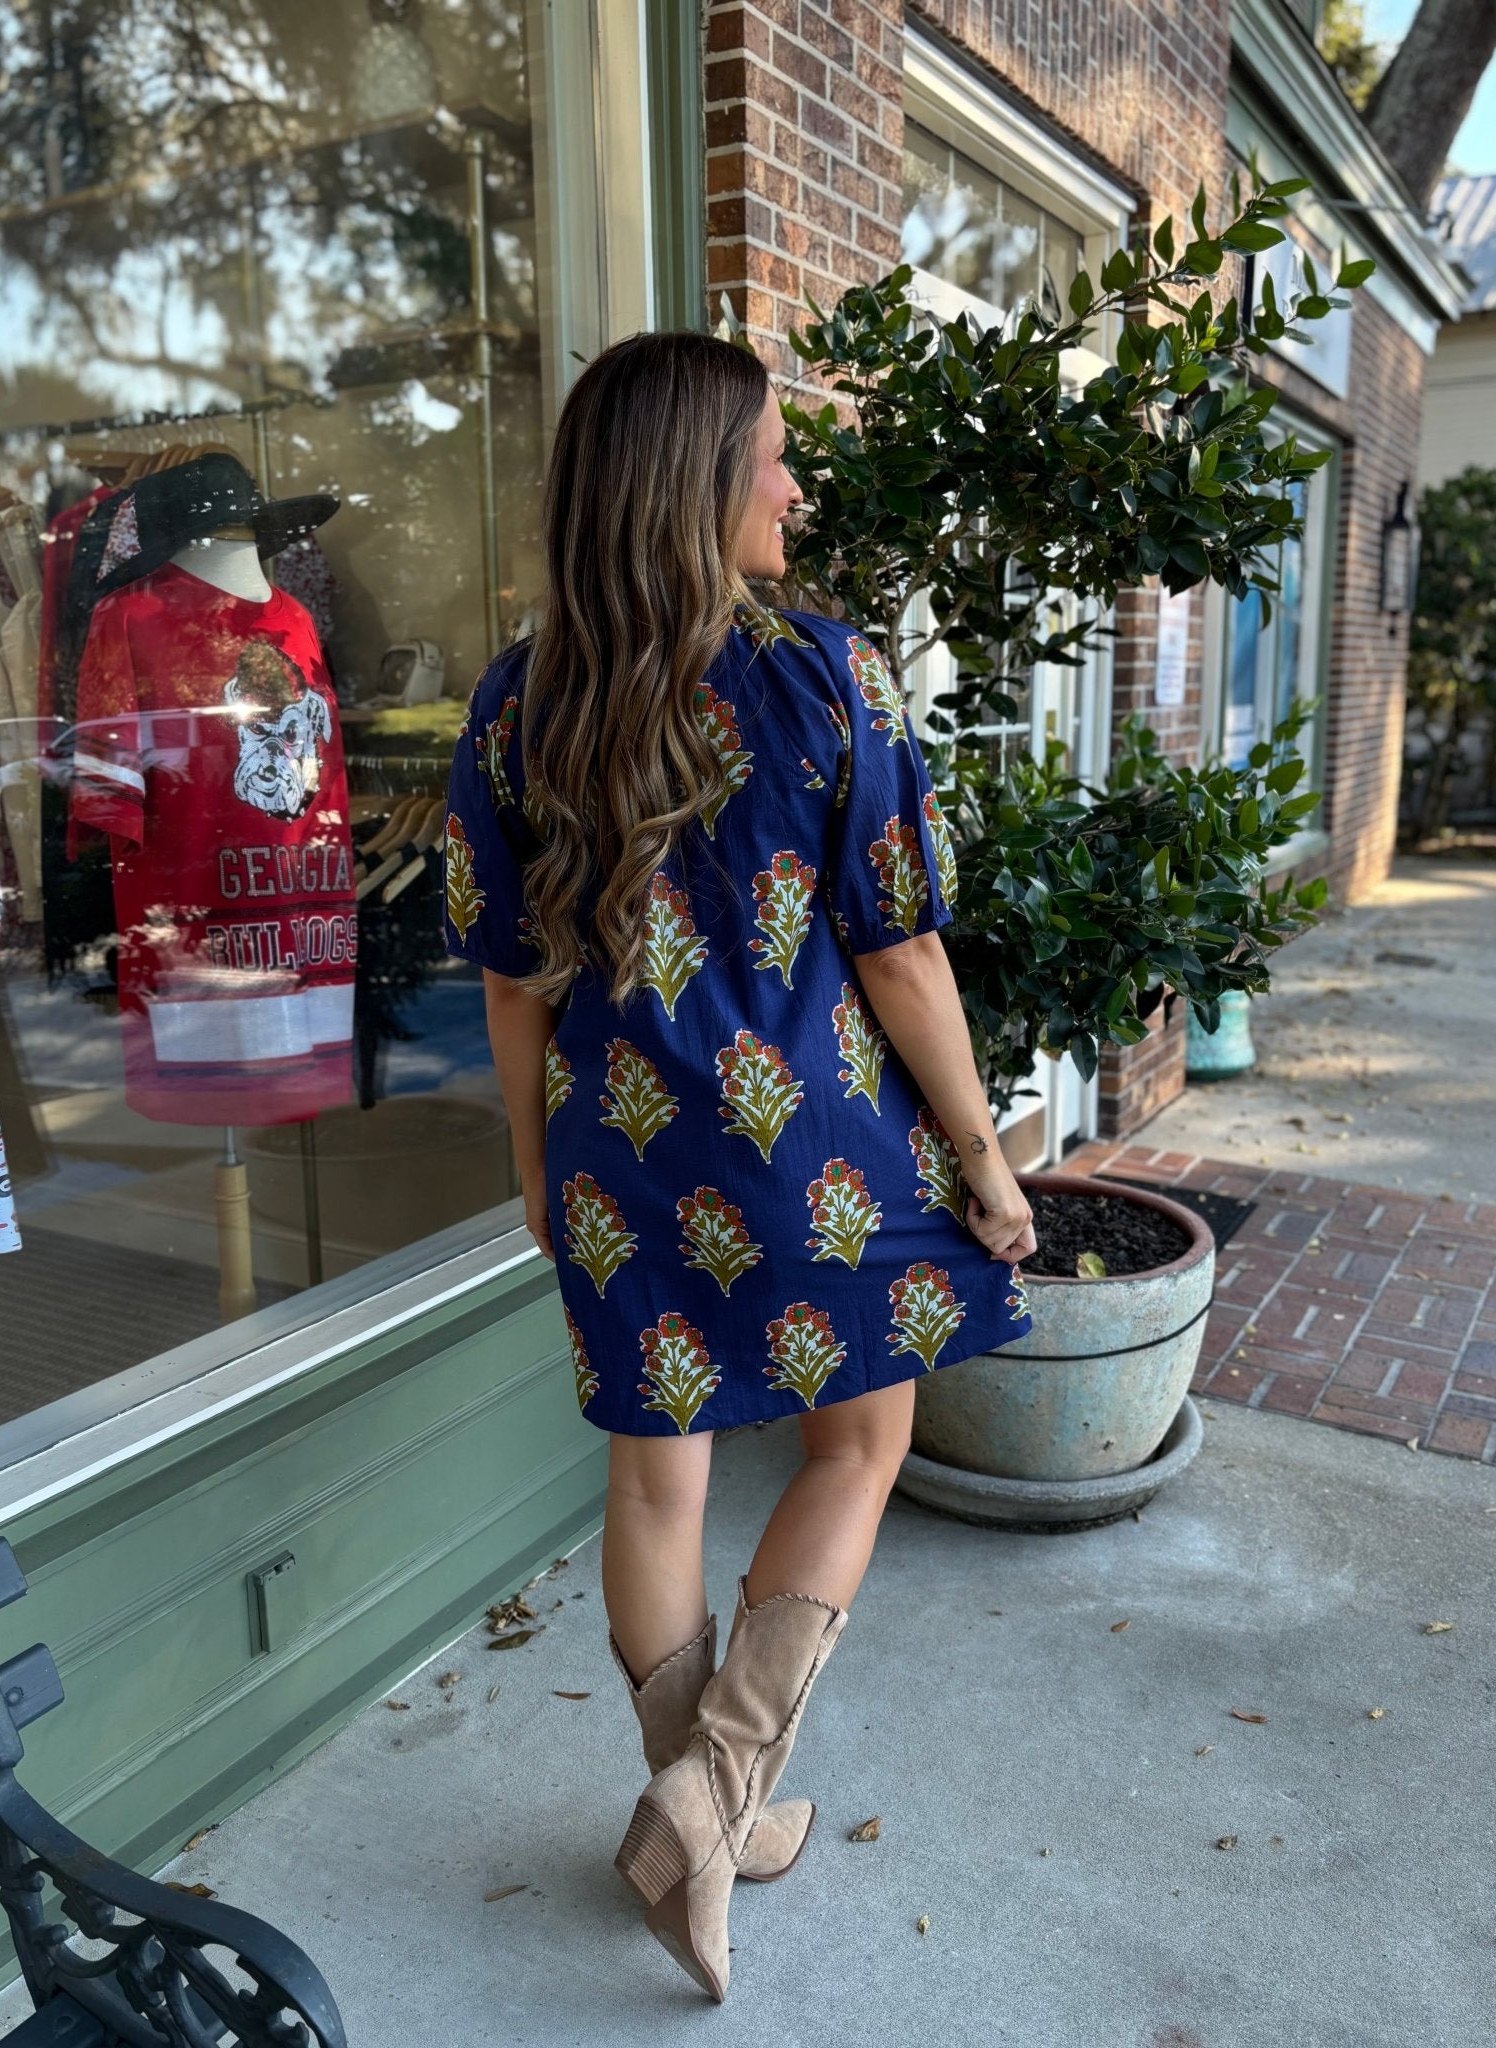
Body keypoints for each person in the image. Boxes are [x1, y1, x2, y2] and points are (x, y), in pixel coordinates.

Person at [443, 331, 1038, 2003]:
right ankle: (711, 1799)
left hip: (615, 1156)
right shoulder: (826, 675)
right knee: (862, 1442)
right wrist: (986, 1162)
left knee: (657, 1484)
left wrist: (536, 1166)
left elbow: (511, 981)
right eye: (772, 453)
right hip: (815, 1152)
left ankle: (702, 1807)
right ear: (694, 482)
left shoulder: (515, 701)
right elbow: (900, 951)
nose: (794, 485)